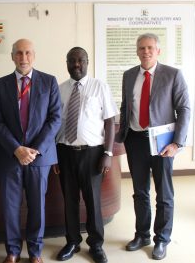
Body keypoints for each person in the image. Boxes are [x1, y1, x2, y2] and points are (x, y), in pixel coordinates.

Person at [116, 33, 190, 260]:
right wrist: (124, 135)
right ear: (137, 51)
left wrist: (177, 143)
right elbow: (126, 106)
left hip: (163, 142)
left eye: (150, 48)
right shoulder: (129, 76)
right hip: (136, 140)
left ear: (158, 51)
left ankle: (162, 239)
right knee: (140, 192)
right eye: (141, 48)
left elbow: (185, 109)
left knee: (164, 194)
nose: (145, 51)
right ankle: (142, 234)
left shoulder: (173, 74)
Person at [0, 39, 61, 263]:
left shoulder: (49, 82)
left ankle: (35, 251)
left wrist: (34, 149)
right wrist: (17, 149)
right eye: (18, 53)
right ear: (12, 56)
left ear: (34, 55)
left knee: (37, 206)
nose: (23, 57)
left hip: (39, 158)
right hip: (10, 157)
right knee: (10, 207)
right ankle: (12, 251)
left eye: (27, 53)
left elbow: (55, 118)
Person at [54, 47, 118, 263]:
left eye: (80, 60)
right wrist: (55, 155)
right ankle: (72, 241)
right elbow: (54, 124)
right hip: (65, 152)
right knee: (69, 200)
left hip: (92, 153)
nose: (76, 65)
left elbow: (110, 121)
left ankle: (96, 245)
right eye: (72, 61)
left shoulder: (100, 87)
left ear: (87, 62)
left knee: (92, 201)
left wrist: (108, 153)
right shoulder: (59, 89)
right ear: (66, 63)